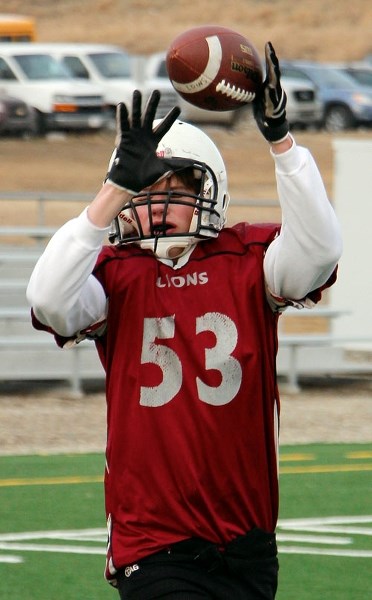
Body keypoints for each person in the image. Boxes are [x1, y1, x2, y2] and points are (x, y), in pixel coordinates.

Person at [27, 42, 342, 600]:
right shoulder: (113, 277)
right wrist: (111, 190)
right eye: (147, 188)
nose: (160, 203)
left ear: (210, 190)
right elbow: (49, 299)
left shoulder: (248, 262)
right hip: (153, 542)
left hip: (246, 540)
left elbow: (318, 251)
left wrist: (283, 144)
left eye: (177, 188)